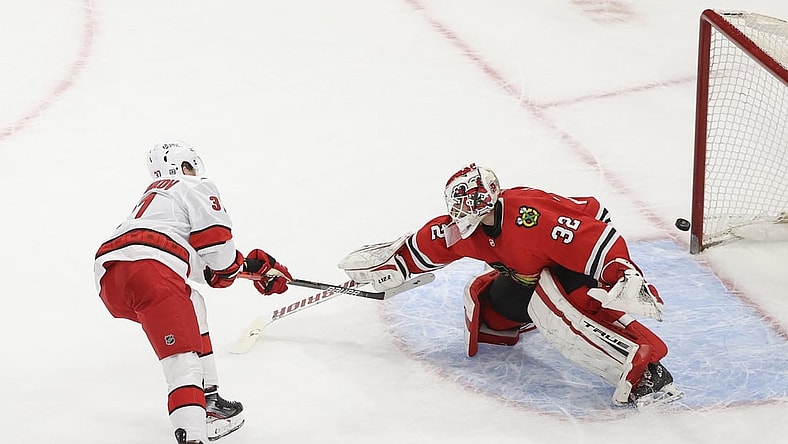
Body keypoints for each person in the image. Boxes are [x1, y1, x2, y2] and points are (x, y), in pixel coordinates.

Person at [339, 163, 682, 408]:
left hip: (576, 261)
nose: (460, 211)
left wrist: (621, 274)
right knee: (490, 314)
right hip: (531, 269)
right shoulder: (466, 230)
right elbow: (427, 245)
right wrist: (390, 266)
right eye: (456, 204)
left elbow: (594, 241)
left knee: (555, 309)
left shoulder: (529, 219)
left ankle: (645, 373)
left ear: (485, 198)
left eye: (466, 202)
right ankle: (554, 308)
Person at [94, 140, 293, 444]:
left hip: (111, 276)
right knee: (182, 361)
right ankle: (194, 434)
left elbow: (204, 267)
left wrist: (253, 268)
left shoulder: (155, 200)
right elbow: (219, 255)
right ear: (182, 166)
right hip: (152, 271)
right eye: (190, 165)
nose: (194, 170)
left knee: (191, 302)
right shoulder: (193, 186)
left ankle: (209, 400)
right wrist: (243, 267)